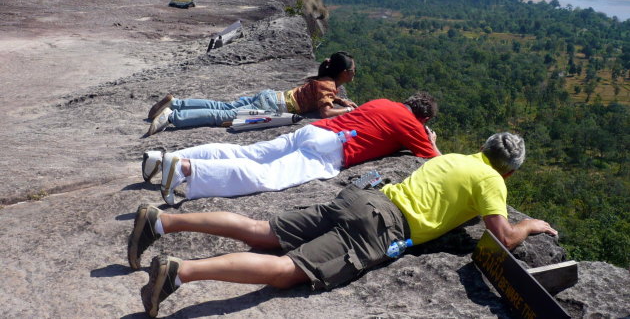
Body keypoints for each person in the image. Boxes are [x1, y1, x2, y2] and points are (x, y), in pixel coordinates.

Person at [128, 132, 558, 317]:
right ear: (510, 172)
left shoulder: (453, 158)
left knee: (262, 230)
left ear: (483, 147)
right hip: (384, 227)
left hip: (364, 198)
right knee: (287, 272)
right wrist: (530, 226)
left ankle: (163, 220)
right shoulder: (491, 181)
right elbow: (502, 235)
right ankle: (181, 272)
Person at [142, 92, 441, 205]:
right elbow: (436, 160)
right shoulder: (412, 125)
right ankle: (183, 169)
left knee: (249, 152)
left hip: (313, 131)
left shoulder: (383, 102)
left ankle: (168, 159)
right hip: (331, 150)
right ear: (423, 117)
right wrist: (432, 140)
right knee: (266, 176)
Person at [145, 51, 358, 136]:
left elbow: (324, 95)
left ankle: (177, 103)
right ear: (343, 73)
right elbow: (326, 113)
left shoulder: (326, 81)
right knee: (220, 116)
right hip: (271, 107)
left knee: (223, 107)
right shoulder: (328, 85)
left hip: (270, 96)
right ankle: (173, 117)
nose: (354, 73)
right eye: (352, 70)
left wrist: (339, 98)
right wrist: (348, 110)